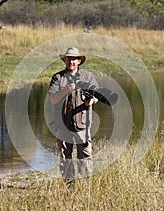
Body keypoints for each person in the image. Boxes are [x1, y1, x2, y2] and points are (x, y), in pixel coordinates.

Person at [48, 47, 98, 182]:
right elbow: (53, 100)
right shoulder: (57, 78)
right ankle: (69, 186)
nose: (71, 62)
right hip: (62, 124)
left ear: (79, 61)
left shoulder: (88, 76)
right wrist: (65, 90)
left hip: (82, 123)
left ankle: (87, 187)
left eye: (74, 59)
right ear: (64, 60)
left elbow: (96, 96)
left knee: (86, 156)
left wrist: (90, 102)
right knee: (65, 157)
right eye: (68, 59)